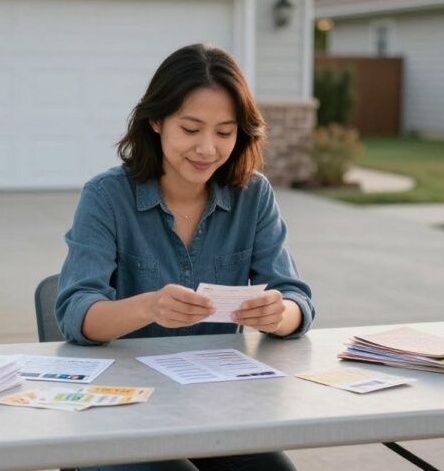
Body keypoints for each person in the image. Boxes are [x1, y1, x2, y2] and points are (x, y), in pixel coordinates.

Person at [55, 43, 315, 471]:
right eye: (191, 129)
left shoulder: (254, 195)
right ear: (156, 121)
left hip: (219, 402)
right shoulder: (106, 197)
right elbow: (75, 313)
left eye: (225, 132)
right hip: (124, 407)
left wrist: (280, 313)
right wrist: (149, 306)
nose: (208, 149)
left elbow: (296, 299)